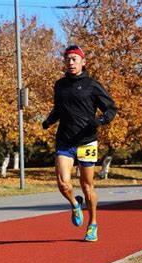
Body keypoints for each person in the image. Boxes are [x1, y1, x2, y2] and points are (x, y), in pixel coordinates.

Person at [42, 45, 117, 242]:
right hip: (65, 141)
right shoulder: (60, 85)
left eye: (75, 59)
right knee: (63, 183)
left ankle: (92, 224)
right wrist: (49, 120)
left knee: (87, 185)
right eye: (67, 59)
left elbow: (110, 108)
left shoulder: (92, 85)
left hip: (87, 142)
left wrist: (101, 121)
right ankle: (75, 204)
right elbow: (58, 108)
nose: (71, 62)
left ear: (83, 62)